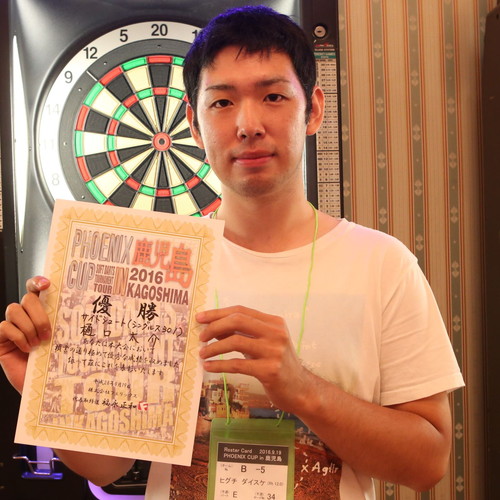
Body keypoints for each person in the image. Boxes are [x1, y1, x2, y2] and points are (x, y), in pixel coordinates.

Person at [0, 5, 464, 499]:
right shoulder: (149, 268)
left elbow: (427, 463)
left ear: (313, 110)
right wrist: (41, 386)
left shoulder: (384, 265)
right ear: (193, 125)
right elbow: (111, 467)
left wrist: (302, 389)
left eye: (273, 96)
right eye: (222, 102)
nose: (248, 124)